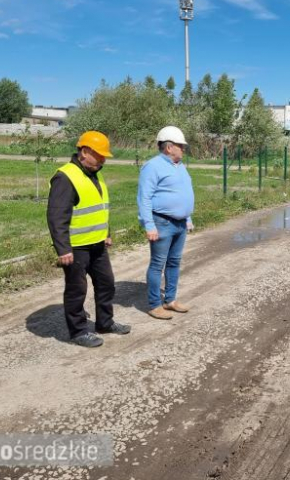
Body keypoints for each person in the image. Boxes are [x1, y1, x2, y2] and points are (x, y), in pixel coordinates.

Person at [47, 131, 131, 347]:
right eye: (100, 155)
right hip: (76, 248)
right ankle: (78, 332)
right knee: (77, 290)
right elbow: (57, 216)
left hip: (97, 244)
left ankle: (105, 323)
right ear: (84, 152)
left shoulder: (95, 172)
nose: (103, 160)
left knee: (107, 284)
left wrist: (107, 233)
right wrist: (63, 249)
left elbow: (100, 207)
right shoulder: (65, 177)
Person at [137, 126, 195, 320]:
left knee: (174, 262)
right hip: (161, 222)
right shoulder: (152, 166)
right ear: (169, 147)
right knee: (157, 264)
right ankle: (154, 305)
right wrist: (149, 225)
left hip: (179, 224)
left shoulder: (180, 167)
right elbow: (144, 198)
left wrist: (187, 217)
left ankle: (170, 300)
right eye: (181, 146)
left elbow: (183, 193)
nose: (183, 149)